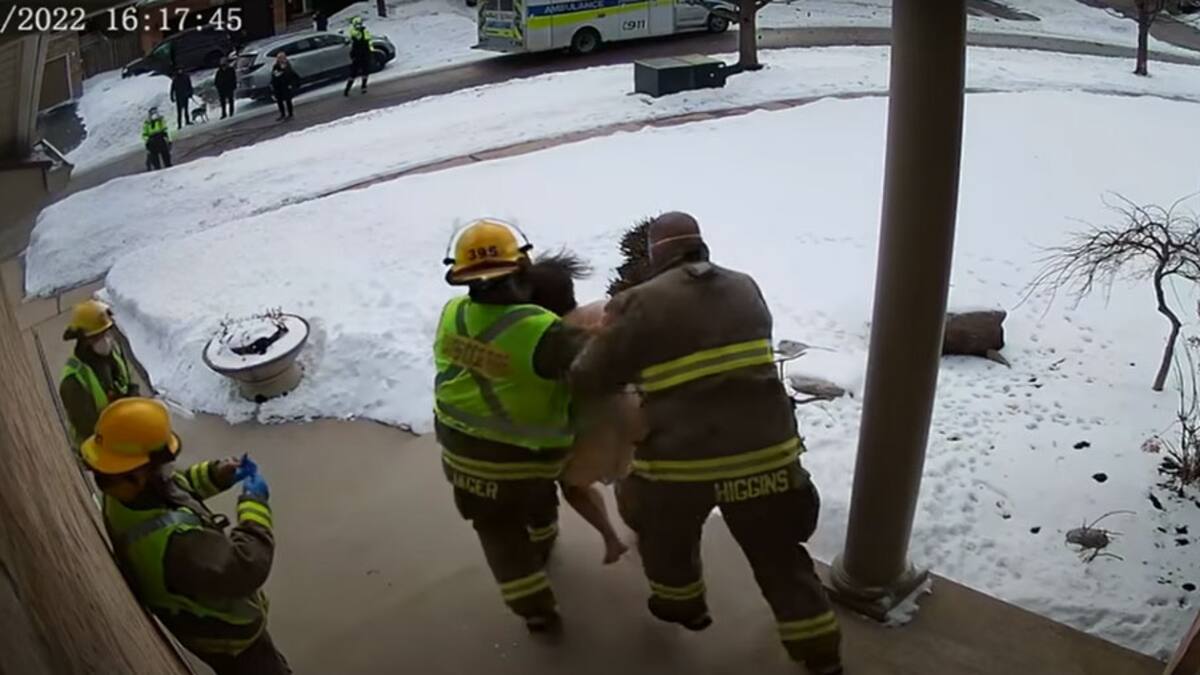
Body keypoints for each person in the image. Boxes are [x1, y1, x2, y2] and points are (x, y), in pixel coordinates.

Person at [571, 212, 843, 675]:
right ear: (702, 248)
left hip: (682, 466)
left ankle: (683, 606)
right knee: (780, 555)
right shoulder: (745, 286)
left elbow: (589, 378)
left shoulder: (637, 302)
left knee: (662, 533)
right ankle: (820, 651)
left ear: (656, 256)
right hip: (768, 455)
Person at [433, 219, 588, 633]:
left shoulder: (453, 314)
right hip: (526, 459)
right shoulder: (541, 330)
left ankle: (532, 608)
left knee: (496, 530)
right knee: (536, 501)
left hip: (460, 456)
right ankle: (543, 540)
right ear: (522, 270)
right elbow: (601, 368)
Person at [81, 397, 290, 675]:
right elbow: (246, 566)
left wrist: (218, 474)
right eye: (165, 462)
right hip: (231, 642)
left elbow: (178, 487)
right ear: (139, 473)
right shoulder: (176, 544)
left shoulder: (124, 495)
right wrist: (254, 504)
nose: (170, 467)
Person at [525, 251, 634, 565]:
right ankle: (644, 525)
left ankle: (611, 539)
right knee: (635, 473)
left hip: (590, 430)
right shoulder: (602, 310)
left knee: (573, 485)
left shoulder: (547, 338)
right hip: (633, 414)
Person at [59, 299, 139, 448]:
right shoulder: (73, 381)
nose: (105, 339)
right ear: (84, 340)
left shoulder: (113, 351)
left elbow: (127, 380)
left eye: (106, 333)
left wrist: (133, 398)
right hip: (100, 448)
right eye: (97, 336)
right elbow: (90, 430)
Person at [343, 16, 373, 97]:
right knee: (353, 73)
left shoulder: (365, 31)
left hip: (364, 55)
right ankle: (347, 89)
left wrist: (370, 52)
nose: (358, 26)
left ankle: (363, 87)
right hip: (357, 56)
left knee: (365, 72)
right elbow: (352, 39)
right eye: (357, 24)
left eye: (359, 24)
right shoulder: (353, 32)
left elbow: (368, 41)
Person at [270, 53, 299, 121]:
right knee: (279, 101)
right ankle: (282, 114)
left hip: (286, 85)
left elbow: (291, 75)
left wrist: (292, 84)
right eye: (279, 58)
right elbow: (274, 75)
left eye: (282, 58)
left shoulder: (287, 65)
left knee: (288, 100)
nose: (281, 59)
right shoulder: (276, 66)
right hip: (278, 86)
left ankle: (290, 114)